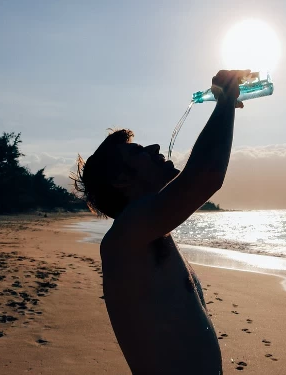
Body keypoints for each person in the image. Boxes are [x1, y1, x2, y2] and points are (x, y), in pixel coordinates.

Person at [72, 70, 250, 375]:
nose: (155, 148)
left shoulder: (151, 234)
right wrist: (224, 100)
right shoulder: (124, 239)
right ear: (121, 179)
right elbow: (205, 176)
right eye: (138, 152)